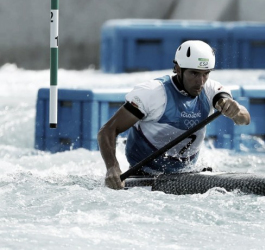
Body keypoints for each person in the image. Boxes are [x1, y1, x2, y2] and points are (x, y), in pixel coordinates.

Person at [98, 40, 251, 190]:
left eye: (206, 74)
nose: (201, 81)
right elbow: (107, 130)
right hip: (142, 174)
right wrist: (112, 167)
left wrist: (236, 111)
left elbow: (244, 119)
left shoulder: (212, 89)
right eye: (194, 73)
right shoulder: (153, 93)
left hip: (187, 173)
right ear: (178, 68)